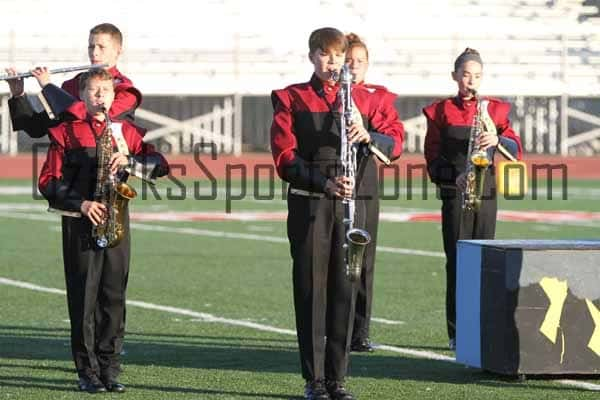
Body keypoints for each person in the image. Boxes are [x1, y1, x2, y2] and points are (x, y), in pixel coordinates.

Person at [270, 27, 403, 400]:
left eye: (338, 56)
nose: (333, 63)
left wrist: (368, 135)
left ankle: (338, 379)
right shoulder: (290, 97)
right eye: (325, 55)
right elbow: (284, 157)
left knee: (346, 289)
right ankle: (314, 380)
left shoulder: (369, 99)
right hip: (310, 201)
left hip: (354, 201)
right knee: (312, 291)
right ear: (313, 56)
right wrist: (323, 183)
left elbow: (395, 144)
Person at [34, 69, 168, 393]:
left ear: (113, 95)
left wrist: (131, 161)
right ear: (82, 95)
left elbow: (161, 165)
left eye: (105, 91)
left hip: (116, 223)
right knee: (84, 299)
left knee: (113, 297)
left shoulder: (125, 132)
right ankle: (87, 372)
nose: (100, 97)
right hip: (81, 223)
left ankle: (110, 369)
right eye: (93, 91)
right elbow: (47, 182)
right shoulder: (65, 132)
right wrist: (81, 204)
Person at [423, 48, 522, 351]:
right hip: (455, 192)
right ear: (455, 76)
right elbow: (432, 156)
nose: (471, 81)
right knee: (457, 261)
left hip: (486, 189)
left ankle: (485, 327)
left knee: (486, 259)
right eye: (466, 74)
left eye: (477, 76)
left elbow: (515, 147)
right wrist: (451, 177)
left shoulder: (496, 110)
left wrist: (497, 139)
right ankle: (456, 331)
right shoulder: (440, 111)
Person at [345, 32, 402, 353]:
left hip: (365, 182)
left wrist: (368, 136)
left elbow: (395, 141)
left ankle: (359, 332)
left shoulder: (376, 98)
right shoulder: (325, 94)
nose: (354, 66)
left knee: (363, 258)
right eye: (349, 60)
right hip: (330, 183)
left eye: (360, 61)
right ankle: (331, 327)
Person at [5, 22, 141, 138]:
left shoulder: (125, 90)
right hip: (68, 165)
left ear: (118, 51)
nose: (94, 53)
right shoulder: (72, 85)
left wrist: (49, 87)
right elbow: (36, 129)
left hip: (105, 165)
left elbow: (96, 117)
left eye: (101, 47)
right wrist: (18, 95)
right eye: (91, 46)